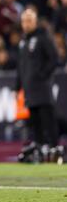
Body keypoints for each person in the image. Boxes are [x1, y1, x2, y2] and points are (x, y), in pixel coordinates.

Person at [16, 9, 63, 163]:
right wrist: (18, 87)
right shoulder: (23, 41)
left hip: (42, 88)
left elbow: (54, 58)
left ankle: (54, 147)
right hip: (29, 90)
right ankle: (40, 148)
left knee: (48, 120)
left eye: (29, 20)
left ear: (35, 22)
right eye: (24, 21)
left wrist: (43, 76)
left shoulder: (43, 37)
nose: (26, 24)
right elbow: (20, 66)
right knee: (34, 122)